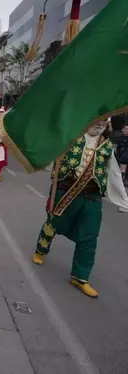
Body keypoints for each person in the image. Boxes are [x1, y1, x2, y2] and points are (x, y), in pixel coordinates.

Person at [32, 119, 128, 297]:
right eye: (96, 120)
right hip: (66, 191)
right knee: (53, 224)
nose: (100, 124)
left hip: (92, 196)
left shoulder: (106, 146)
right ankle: (40, 249)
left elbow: (114, 173)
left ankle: (80, 276)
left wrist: (123, 201)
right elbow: (50, 157)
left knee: (90, 237)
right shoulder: (70, 139)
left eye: (104, 121)